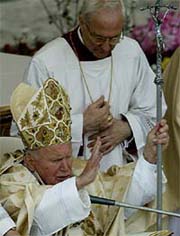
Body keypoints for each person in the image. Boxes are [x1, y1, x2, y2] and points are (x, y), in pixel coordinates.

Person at [1, 78, 170, 235]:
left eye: (68, 156)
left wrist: (149, 157)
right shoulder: (10, 179)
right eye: (56, 160)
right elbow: (36, 217)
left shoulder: (78, 169)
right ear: (31, 162)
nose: (66, 167)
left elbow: (120, 205)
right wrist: (79, 183)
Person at [23, 0, 167, 171]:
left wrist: (127, 127)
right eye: (99, 38)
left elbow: (154, 108)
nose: (106, 47)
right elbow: (29, 132)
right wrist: (81, 124)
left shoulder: (131, 51)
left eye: (114, 38)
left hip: (123, 170)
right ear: (82, 22)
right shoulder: (47, 62)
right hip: (69, 175)